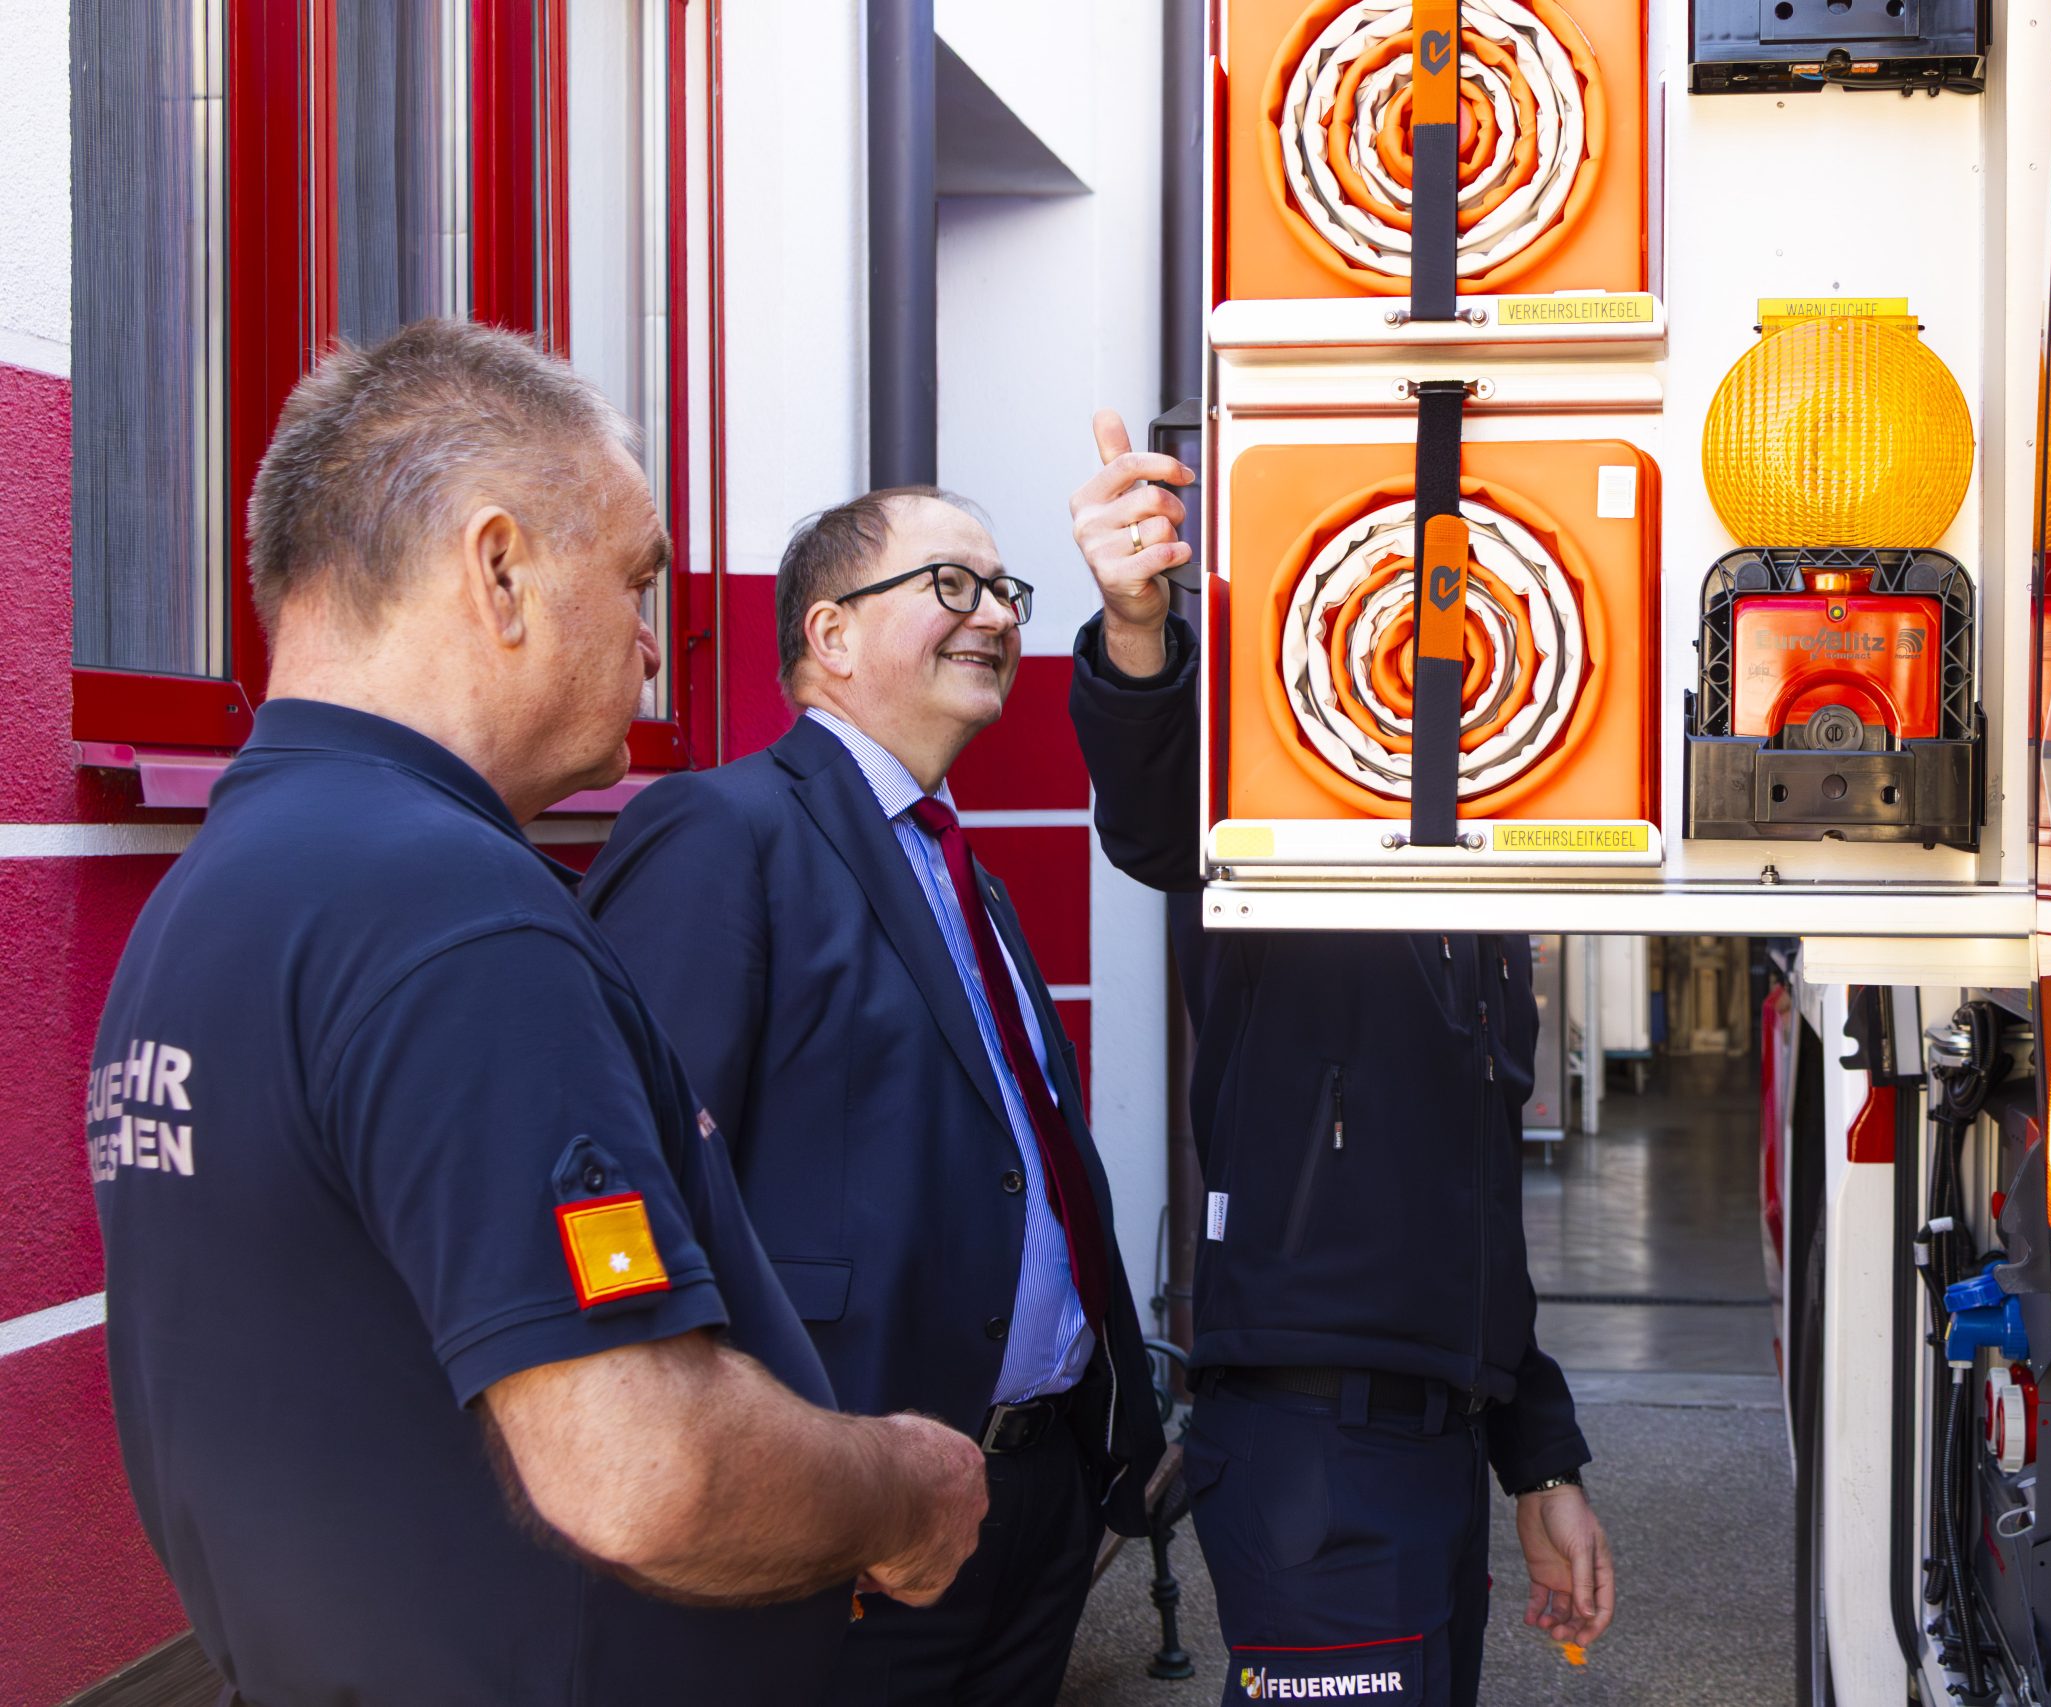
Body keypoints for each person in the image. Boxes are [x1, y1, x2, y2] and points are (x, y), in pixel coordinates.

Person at [84, 320, 987, 1707]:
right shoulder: (450, 911)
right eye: (635, 579)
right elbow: (644, 1469)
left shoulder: (218, 891)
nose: (650, 645)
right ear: (498, 570)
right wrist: (904, 1491)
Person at [1064, 412, 1616, 1706]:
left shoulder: (1484, 897)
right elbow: (1158, 816)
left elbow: (1478, 1212)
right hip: (1316, 1448)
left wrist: (1539, 1459)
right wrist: (1137, 630)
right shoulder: (1268, 811)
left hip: (1436, 1443)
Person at [582, 487, 1167, 1706]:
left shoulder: (957, 866)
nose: (994, 616)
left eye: (1003, 591)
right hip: (852, 1523)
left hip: (1032, 1502)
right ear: (830, 634)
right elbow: (640, 1189)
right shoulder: (723, 831)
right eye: (951, 584)